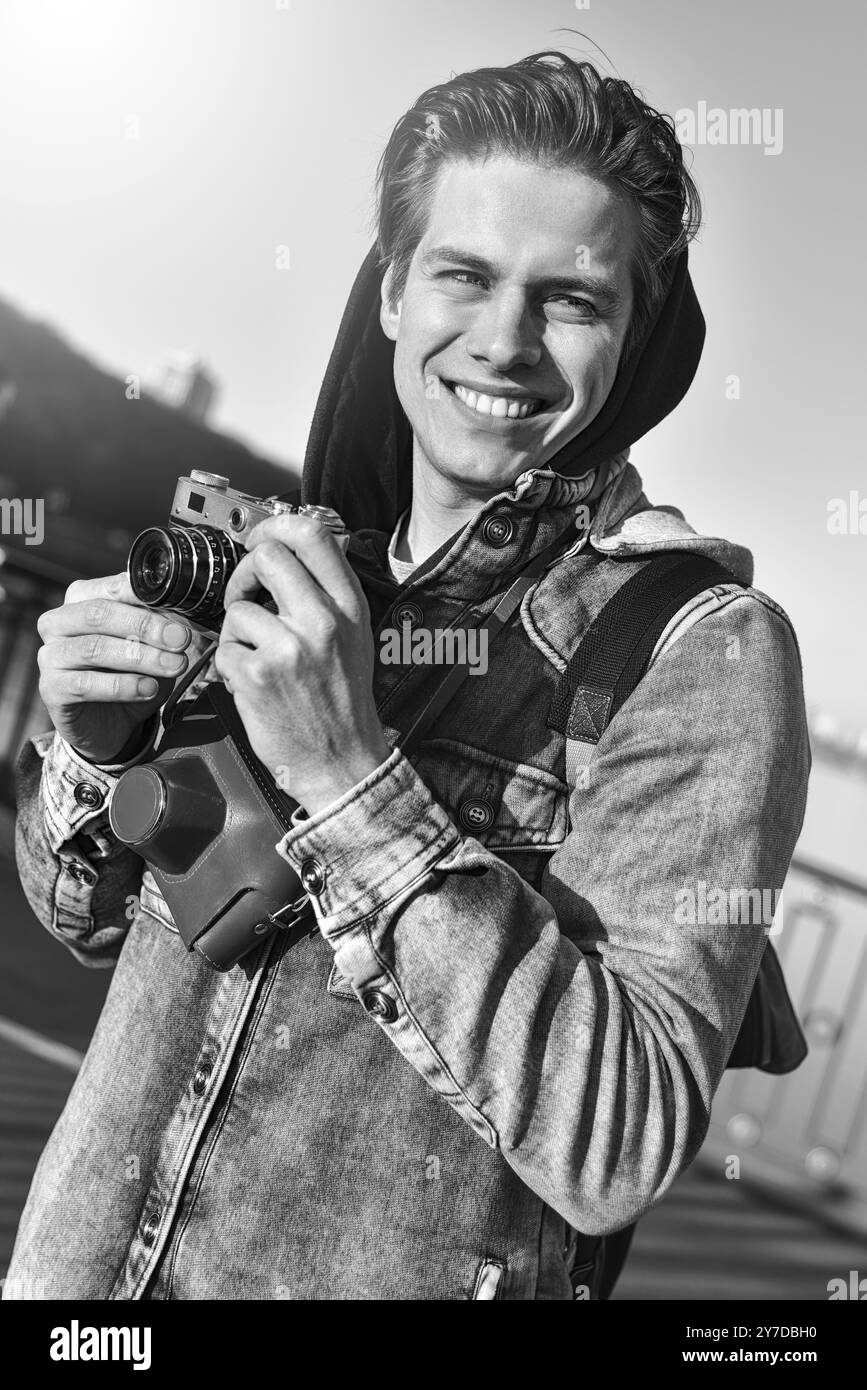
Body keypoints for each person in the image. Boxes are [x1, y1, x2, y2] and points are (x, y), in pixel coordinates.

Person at [6, 52, 810, 1301]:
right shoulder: (292, 564)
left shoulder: (698, 647)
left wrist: (347, 773)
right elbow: (84, 917)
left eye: (572, 301)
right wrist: (93, 755)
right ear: (391, 293)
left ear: (634, 338)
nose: (504, 340)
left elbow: (621, 1141)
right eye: (466, 275)